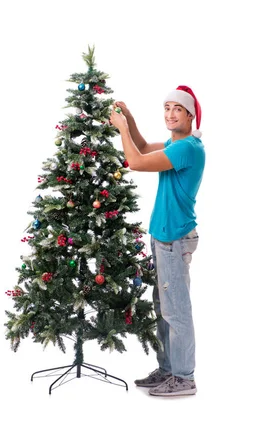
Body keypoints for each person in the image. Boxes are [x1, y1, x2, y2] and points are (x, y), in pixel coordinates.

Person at [109, 86, 205, 397]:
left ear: (190, 115)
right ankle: (167, 369)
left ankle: (184, 376)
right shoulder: (173, 145)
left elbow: (135, 161)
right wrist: (132, 122)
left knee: (176, 309)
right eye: (166, 108)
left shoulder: (187, 149)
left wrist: (120, 127)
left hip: (174, 239)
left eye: (176, 109)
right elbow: (143, 146)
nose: (169, 114)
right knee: (164, 306)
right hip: (162, 236)